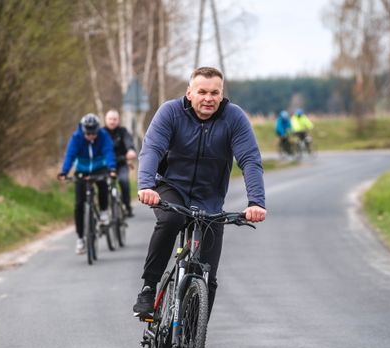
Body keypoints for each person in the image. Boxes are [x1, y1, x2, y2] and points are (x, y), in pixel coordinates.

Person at [132, 66, 266, 319]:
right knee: (171, 220)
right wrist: (146, 186)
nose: (208, 98)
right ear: (189, 93)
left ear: (221, 94)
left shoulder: (234, 118)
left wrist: (256, 202)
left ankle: (193, 336)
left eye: (215, 93)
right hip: (171, 187)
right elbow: (152, 149)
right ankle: (149, 288)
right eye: (202, 92)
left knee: (208, 276)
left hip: (210, 199)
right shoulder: (170, 112)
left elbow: (250, 160)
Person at [57, 113, 117, 254]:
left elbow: (108, 152)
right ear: (83, 130)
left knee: (103, 185)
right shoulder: (76, 138)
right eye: (88, 134)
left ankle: (103, 212)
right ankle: (80, 239)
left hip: (99, 168)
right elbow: (70, 155)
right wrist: (64, 171)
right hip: (82, 171)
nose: (91, 136)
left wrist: (112, 168)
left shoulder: (103, 136)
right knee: (79, 204)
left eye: (93, 133)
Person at [103, 109, 138, 217]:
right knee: (102, 186)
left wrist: (131, 150)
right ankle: (103, 210)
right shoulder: (101, 133)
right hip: (105, 165)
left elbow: (128, 142)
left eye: (114, 119)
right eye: (110, 119)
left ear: (118, 120)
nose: (112, 121)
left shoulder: (123, 131)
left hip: (121, 163)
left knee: (124, 181)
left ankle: (127, 206)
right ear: (105, 120)